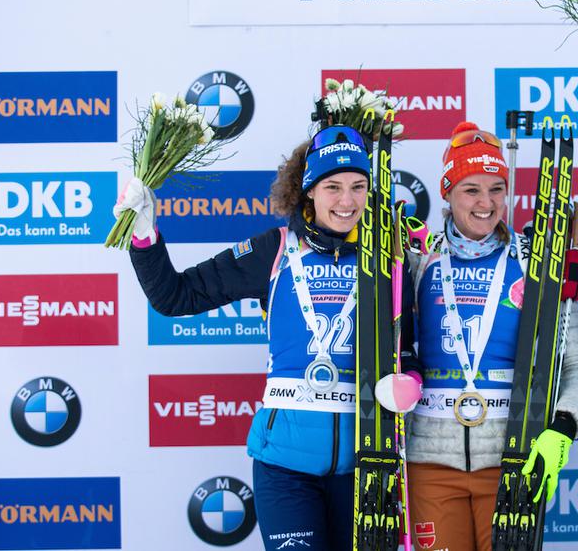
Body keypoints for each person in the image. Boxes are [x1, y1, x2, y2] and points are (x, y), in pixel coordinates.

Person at [115, 125, 421, 551]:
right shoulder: (274, 250)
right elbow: (175, 296)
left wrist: (410, 381)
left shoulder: (389, 260)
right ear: (309, 190)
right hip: (284, 467)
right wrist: (144, 235)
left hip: (364, 463)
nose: (347, 201)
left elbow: (407, 350)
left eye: (358, 186)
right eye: (333, 187)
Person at [404, 122, 578, 551]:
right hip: (430, 461)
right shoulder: (419, 260)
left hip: (513, 457)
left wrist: (563, 426)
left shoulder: (536, 261)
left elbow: (576, 364)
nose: (486, 203)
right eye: (471, 189)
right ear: (447, 193)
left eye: (496, 189)